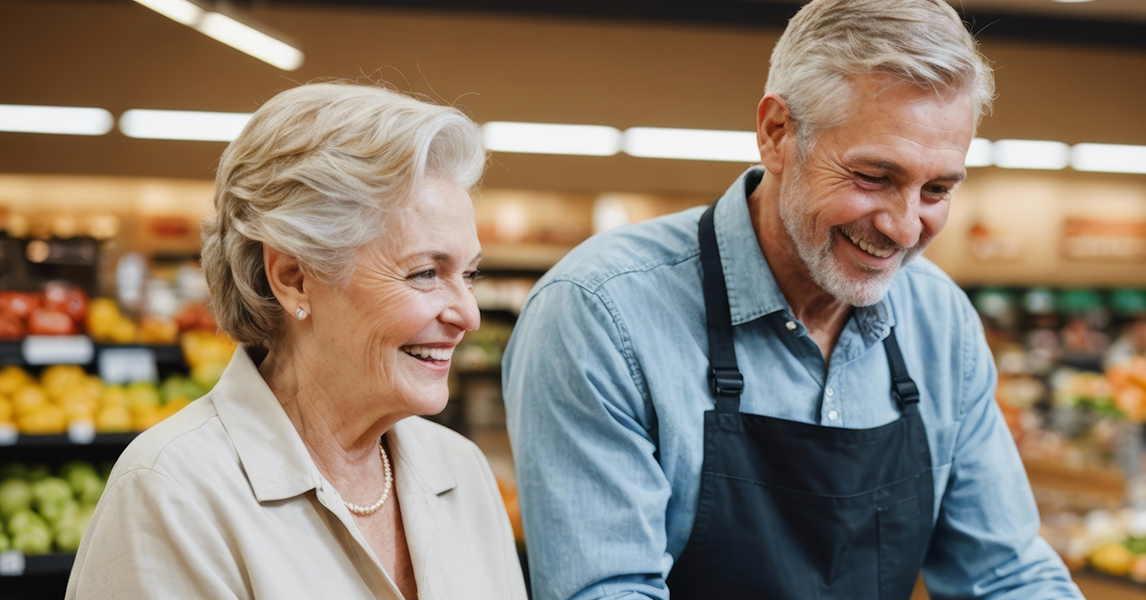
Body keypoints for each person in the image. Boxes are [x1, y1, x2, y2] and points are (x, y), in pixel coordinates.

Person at [504, 0, 1085, 597]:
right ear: (777, 134)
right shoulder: (602, 313)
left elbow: (1006, 573)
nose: (906, 229)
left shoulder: (939, 320)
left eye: (936, 189)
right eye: (874, 177)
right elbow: (606, 590)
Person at [66, 82, 527, 600]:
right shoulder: (173, 494)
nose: (468, 314)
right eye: (424, 273)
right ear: (294, 279)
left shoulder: (462, 473)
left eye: (470, 274)